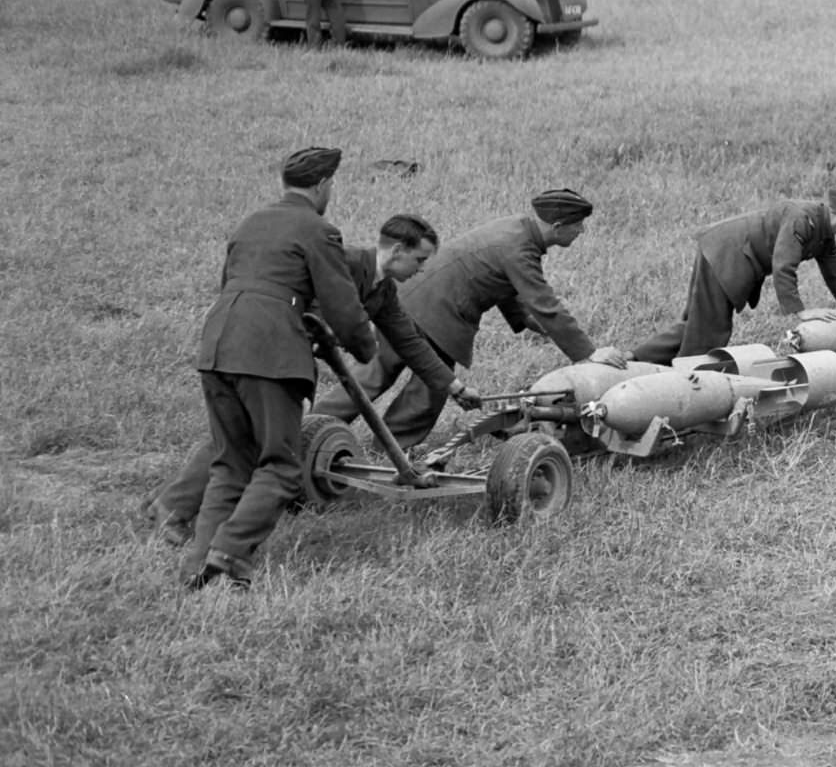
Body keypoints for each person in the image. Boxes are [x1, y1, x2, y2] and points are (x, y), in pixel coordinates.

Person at [148, 214, 455, 544]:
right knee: (241, 438)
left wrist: (453, 385)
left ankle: (180, 510)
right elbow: (302, 299)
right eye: (420, 259)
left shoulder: (382, 290)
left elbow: (408, 341)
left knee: (244, 438)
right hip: (265, 349)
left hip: (283, 358)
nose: (421, 269)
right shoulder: (343, 262)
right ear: (398, 250)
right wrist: (328, 329)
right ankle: (174, 510)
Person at [184, 147, 379, 589]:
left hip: (216, 345)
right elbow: (342, 307)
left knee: (230, 463)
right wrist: (367, 349)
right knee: (281, 465)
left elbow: (232, 286)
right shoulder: (319, 230)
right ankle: (230, 552)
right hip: (268, 353)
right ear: (322, 185)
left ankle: (196, 568)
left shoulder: (249, 223)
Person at [364, 187, 615, 450]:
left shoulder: (516, 230)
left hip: (409, 298)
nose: (582, 231)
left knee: (374, 374)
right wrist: (589, 354)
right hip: (439, 313)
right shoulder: (519, 249)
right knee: (431, 387)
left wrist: (527, 321)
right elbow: (545, 305)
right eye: (579, 225)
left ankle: (324, 423)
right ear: (558, 226)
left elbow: (502, 283)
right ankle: (392, 447)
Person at [631, 187, 836, 364]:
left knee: (698, 323)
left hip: (724, 251)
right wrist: (801, 311)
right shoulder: (801, 219)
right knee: (711, 331)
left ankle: (636, 359)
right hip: (725, 253)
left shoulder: (823, 234)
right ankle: (686, 383)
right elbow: (783, 264)